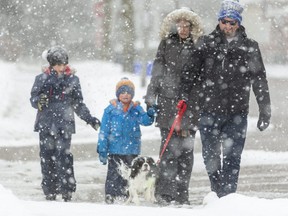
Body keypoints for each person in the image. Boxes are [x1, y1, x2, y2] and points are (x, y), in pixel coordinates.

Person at [193, 0, 271, 198]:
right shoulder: (205, 43)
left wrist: (265, 109)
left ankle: (228, 198)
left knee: (232, 157)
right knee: (210, 157)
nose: (227, 26)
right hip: (209, 110)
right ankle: (216, 190)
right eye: (224, 22)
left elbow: (259, 79)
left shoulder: (250, 47)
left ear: (239, 24)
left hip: (237, 113)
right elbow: (190, 75)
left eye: (232, 23)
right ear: (219, 21)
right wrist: (189, 102)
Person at [144, 8, 203, 205]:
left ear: (192, 27)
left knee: (186, 153)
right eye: (180, 25)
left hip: (190, 105)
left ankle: (181, 194)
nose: (183, 29)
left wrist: (195, 98)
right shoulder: (166, 43)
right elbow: (157, 70)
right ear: (175, 26)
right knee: (167, 150)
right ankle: (164, 193)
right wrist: (151, 97)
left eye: (187, 26)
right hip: (168, 103)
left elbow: (202, 77)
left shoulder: (199, 46)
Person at [30, 46, 101, 201]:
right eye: (58, 64)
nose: (61, 68)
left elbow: (78, 103)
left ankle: (66, 189)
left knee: (64, 157)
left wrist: (90, 119)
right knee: (47, 157)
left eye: (63, 64)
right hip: (46, 124)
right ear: (51, 64)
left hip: (65, 125)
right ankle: (50, 190)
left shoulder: (73, 80)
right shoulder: (41, 79)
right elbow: (33, 99)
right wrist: (39, 101)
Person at [97, 77, 156, 204]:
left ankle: (127, 196)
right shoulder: (110, 110)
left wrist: (150, 114)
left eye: (128, 92)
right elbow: (104, 131)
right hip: (115, 149)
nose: (125, 95)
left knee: (130, 176)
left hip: (132, 150)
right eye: (122, 92)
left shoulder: (136, 109)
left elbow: (145, 121)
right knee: (114, 175)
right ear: (118, 94)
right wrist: (102, 149)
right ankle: (111, 196)